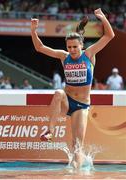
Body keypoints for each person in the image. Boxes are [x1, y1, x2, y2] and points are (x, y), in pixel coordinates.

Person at [31, 8, 115, 168]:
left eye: (75, 47)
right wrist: (33, 31)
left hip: (81, 106)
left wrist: (103, 18)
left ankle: (78, 167)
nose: (72, 50)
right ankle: (50, 131)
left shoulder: (89, 54)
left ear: (81, 45)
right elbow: (40, 48)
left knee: (77, 147)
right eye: (69, 47)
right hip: (67, 101)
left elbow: (109, 36)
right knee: (58, 92)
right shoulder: (64, 57)